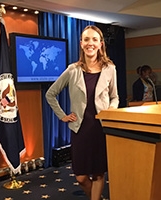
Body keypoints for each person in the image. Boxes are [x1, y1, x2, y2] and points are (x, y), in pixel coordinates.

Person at [46, 25, 119, 200]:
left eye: (94, 39)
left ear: (101, 44)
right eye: (86, 39)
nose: (90, 43)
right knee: (80, 177)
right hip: (80, 130)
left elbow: (115, 97)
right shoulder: (73, 70)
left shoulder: (110, 68)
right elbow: (51, 94)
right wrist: (62, 115)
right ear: (81, 43)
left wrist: (110, 111)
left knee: (99, 174)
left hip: (100, 129)